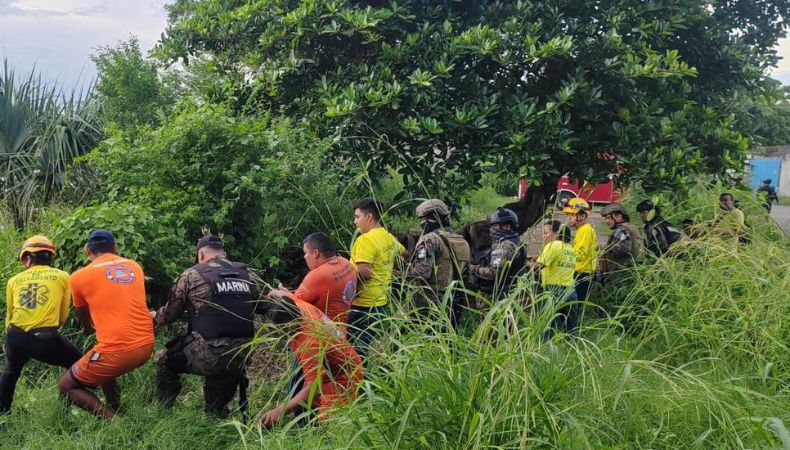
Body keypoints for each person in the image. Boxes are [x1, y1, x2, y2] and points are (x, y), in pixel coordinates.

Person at [152, 234, 262, 417]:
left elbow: (169, 315)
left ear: (201, 255)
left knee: (164, 359)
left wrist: (155, 316)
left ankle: (163, 413)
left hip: (211, 354)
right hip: (241, 354)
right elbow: (263, 305)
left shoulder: (191, 275)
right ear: (224, 254)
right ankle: (216, 413)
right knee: (219, 367)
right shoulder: (248, 275)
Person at [58, 230, 154, 419]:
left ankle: (114, 422)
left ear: (87, 250)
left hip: (118, 351)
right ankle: (116, 406)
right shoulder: (134, 266)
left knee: (66, 385)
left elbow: (84, 317)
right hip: (146, 345)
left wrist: (88, 329)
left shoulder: (77, 277)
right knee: (102, 357)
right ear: (115, 248)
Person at [0, 236, 82, 414]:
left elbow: (10, 314)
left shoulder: (13, 280)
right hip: (45, 338)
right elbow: (62, 316)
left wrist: (11, 340)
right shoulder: (61, 276)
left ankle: (2, 415)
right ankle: (64, 409)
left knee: (10, 373)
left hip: (15, 336)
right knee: (78, 365)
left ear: (28, 257)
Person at [260, 297, 363, 428]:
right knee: (308, 411)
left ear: (289, 326)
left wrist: (279, 411)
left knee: (330, 428)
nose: (280, 333)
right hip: (328, 368)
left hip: (344, 376)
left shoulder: (309, 342)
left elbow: (313, 389)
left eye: (282, 330)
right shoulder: (299, 305)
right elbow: (282, 293)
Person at [348, 198, 405, 358]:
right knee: (363, 346)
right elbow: (404, 254)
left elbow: (364, 273)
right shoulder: (388, 237)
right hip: (380, 303)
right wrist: (387, 270)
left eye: (357, 216)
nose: (355, 222)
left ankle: (358, 381)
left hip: (361, 305)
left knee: (354, 350)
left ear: (369, 217)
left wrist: (342, 277)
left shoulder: (365, 240)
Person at [404, 199, 471, 325]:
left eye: (423, 219)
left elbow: (422, 272)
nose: (422, 224)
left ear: (432, 218)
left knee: (394, 333)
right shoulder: (462, 241)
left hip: (428, 299)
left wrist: (400, 273)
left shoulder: (429, 239)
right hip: (453, 300)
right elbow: (468, 274)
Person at [268, 233, 357, 326]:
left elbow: (294, 306)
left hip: (323, 333)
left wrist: (282, 294)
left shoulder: (318, 275)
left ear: (316, 253)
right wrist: (290, 295)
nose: (304, 257)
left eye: (305, 253)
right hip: (342, 328)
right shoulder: (345, 262)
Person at [467, 208, 526, 303]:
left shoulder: (504, 246)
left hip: (496, 297)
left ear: (506, 226)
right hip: (508, 294)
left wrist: (471, 268)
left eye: (494, 226)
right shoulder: (517, 242)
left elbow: (492, 273)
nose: (491, 230)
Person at [532, 220, 578, 336]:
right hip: (571, 291)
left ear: (557, 233)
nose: (544, 236)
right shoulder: (570, 249)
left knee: (546, 326)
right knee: (571, 330)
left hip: (553, 290)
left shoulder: (552, 245)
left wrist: (526, 263)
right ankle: (573, 350)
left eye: (546, 233)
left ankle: (543, 349)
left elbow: (537, 267)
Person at [562, 198, 597, 304]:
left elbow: (580, 255)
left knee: (574, 306)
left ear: (582, 216)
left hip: (582, 274)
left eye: (572, 215)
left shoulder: (585, 230)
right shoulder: (581, 230)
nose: (568, 218)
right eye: (567, 215)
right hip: (579, 272)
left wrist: (562, 255)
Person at [598, 203, 643, 284]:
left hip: (619, 277)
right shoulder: (631, 227)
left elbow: (623, 250)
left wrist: (606, 249)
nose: (607, 221)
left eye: (609, 218)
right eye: (606, 218)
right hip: (629, 275)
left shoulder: (622, 229)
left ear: (619, 216)